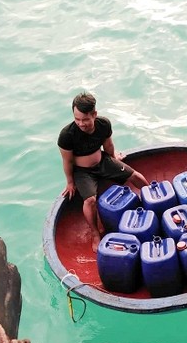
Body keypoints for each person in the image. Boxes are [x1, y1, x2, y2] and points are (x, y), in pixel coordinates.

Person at [58, 92, 149, 252]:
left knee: (134, 175)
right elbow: (67, 161)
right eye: (77, 119)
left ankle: (152, 200)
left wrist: (115, 158)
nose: (81, 123)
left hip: (103, 161)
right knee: (90, 200)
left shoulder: (103, 124)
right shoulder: (67, 135)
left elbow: (108, 146)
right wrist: (70, 182)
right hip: (83, 172)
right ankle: (95, 233)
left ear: (94, 114)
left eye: (85, 119)